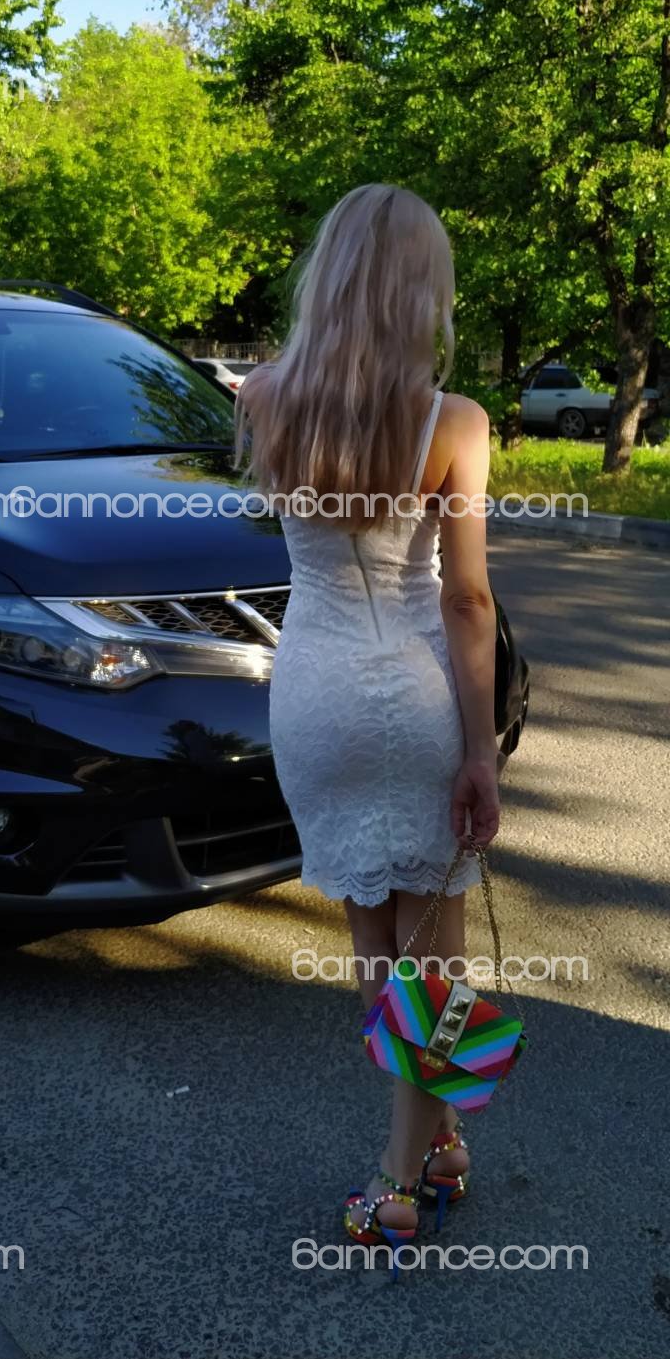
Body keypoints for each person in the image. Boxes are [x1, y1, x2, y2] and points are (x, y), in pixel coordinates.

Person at [235, 183, 501, 1255]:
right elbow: (466, 600)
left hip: (313, 691)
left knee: (373, 939)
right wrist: (482, 754)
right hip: (413, 693)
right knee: (433, 956)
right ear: (420, 288)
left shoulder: (264, 397)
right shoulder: (454, 422)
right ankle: (399, 1182)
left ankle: (440, 1143)